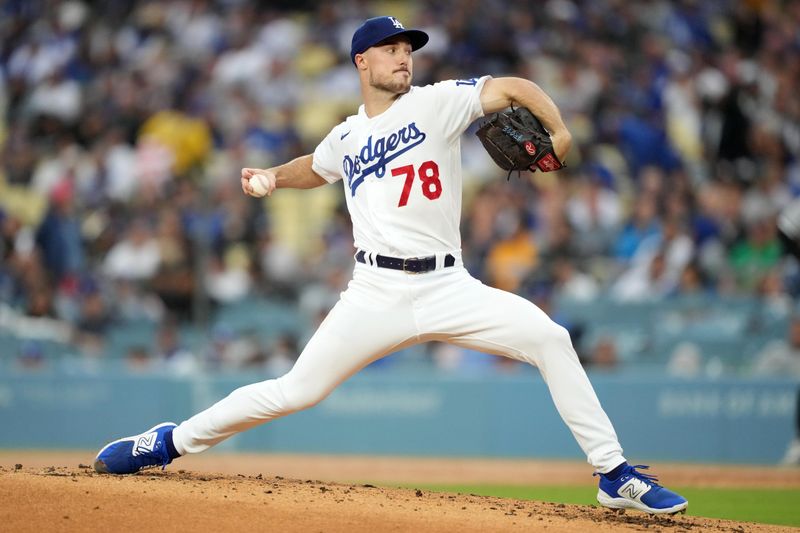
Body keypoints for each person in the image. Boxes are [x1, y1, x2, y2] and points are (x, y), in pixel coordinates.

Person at [93, 16, 688, 515]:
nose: (404, 57)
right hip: (374, 290)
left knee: (551, 338)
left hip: (449, 283)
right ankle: (167, 443)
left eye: (408, 50)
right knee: (295, 391)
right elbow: (318, 163)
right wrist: (274, 176)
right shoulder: (348, 136)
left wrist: (557, 127)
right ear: (361, 62)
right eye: (391, 49)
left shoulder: (438, 103)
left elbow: (512, 86)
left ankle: (614, 474)